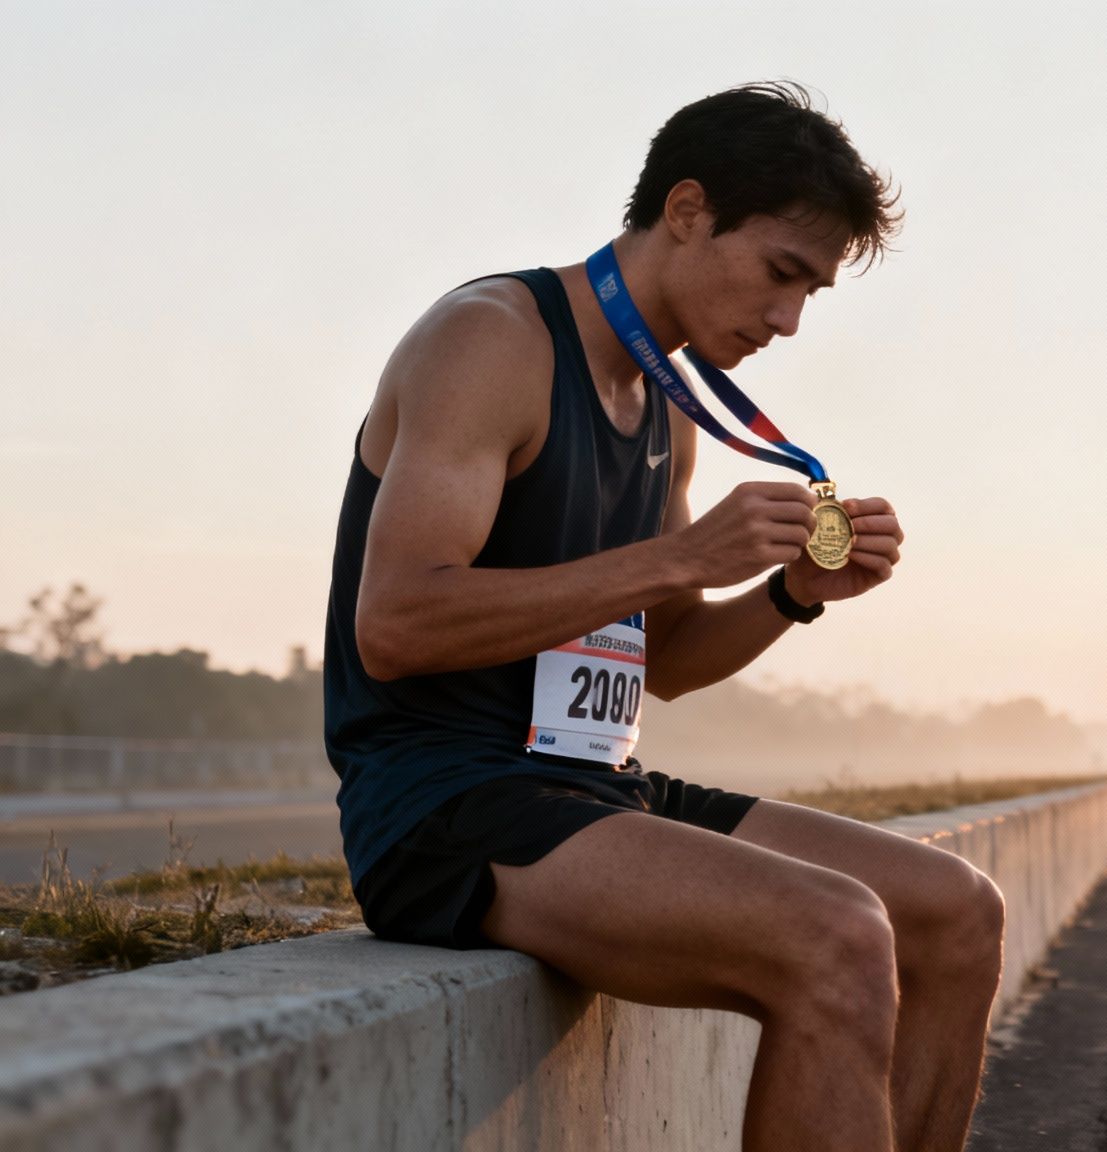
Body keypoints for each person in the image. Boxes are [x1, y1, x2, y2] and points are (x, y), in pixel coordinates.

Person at [322, 83, 1004, 1152]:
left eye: (811, 294)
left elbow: (668, 663)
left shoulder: (665, 411)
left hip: (593, 785)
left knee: (955, 912)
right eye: (782, 273)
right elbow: (397, 623)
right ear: (686, 210)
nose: (787, 321)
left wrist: (788, 596)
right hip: (445, 797)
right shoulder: (491, 340)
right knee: (836, 936)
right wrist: (678, 553)